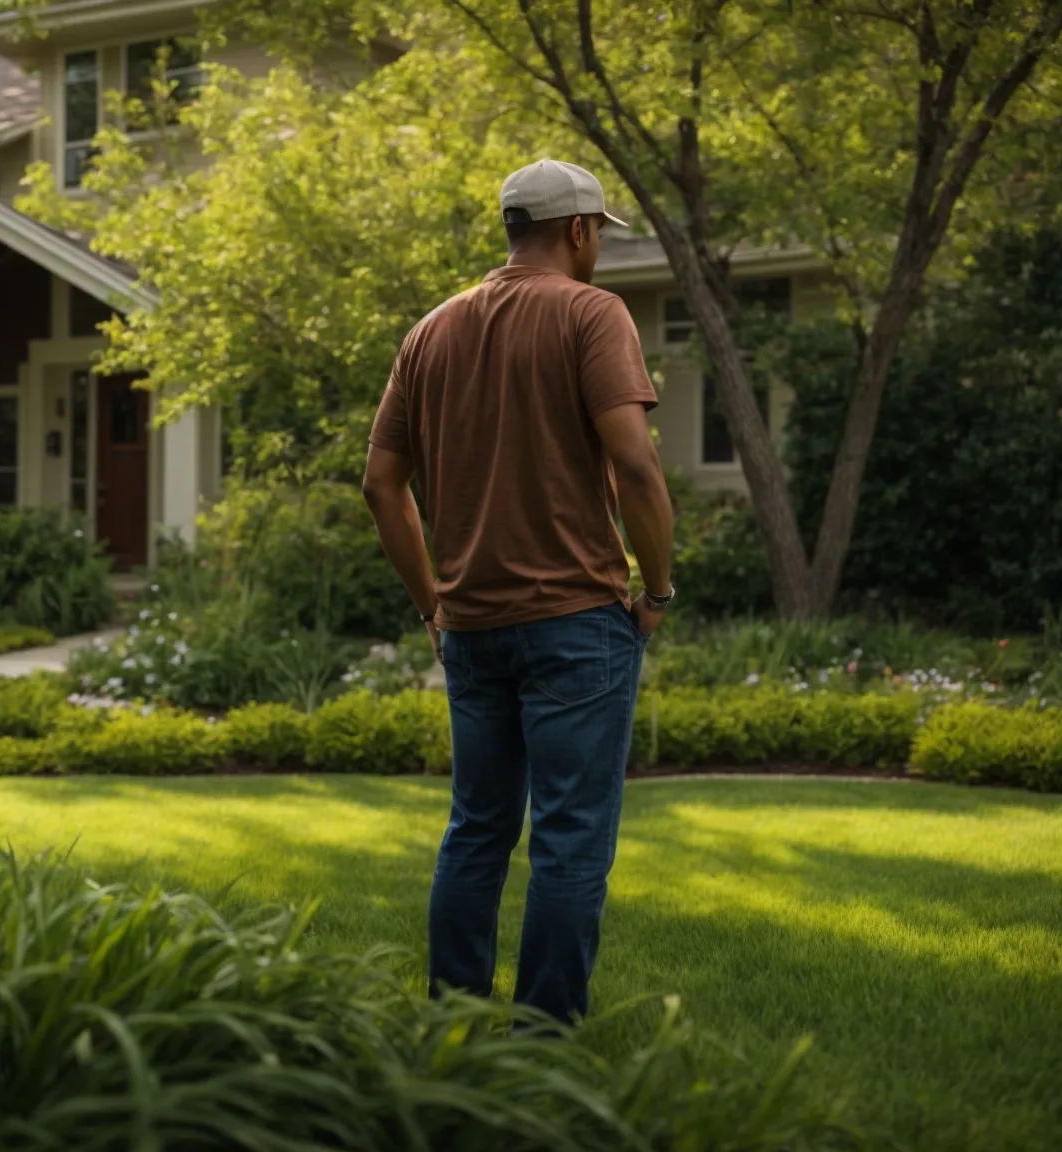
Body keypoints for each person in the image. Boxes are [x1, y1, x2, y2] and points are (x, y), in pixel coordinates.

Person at [361, 158, 676, 1025]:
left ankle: (453, 1023)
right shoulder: (590, 313)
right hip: (577, 621)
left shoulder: (432, 330)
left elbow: (380, 486)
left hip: (470, 628)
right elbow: (637, 466)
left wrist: (433, 604)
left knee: (476, 832)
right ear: (578, 231)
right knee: (569, 844)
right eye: (597, 235)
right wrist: (658, 589)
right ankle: (541, 1045)